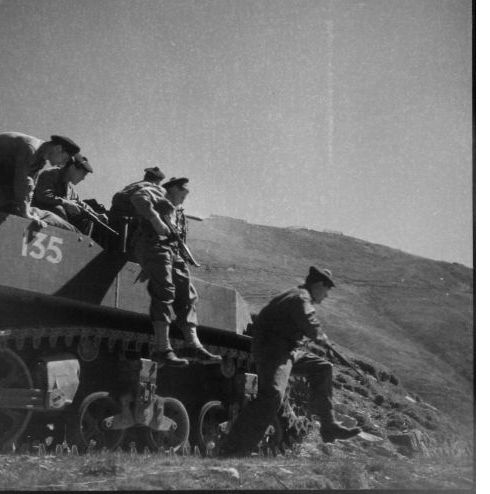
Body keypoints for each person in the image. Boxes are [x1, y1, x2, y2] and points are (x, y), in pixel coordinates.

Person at [220, 266, 361, 455]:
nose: (326, 296)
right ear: (319, 285)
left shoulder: (298, 295)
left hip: (289, 350)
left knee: (323, 368)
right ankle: (233, 449)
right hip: (273, 352)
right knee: (271, 398)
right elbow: (309, 320)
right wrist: (323, 339)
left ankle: (329, 426)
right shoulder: (301, 297)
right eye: (327, 290)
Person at [130, 176, 222, 367]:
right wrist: (155, 219)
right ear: (173, 189)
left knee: (187, 292)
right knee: (164, 290)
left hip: (171, 250)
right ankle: (162, 348)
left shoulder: (178, 212)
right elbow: (138, 198)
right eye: (183, 192)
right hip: (152, 244)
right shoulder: (158, 192)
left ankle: (192, 344)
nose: (185, 198)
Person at [0, 132, 80, 227]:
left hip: (0, 171)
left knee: (21, 190)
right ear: (58, 149)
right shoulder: (31, 149)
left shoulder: (40, 160)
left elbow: (29, 187)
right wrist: (26, 214)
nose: (62, 164)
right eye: (65, 159)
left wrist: (28, 209)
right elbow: (20, 181)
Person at [33, 154, 98, 233]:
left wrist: (96, 214)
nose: (83, 178)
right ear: (72, 168)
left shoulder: (70, 190)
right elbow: (43, 196)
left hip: (55, 228)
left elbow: (80, 204)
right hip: (38, 218)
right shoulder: (49, 174)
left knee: (86, 222)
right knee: (59, 209)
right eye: (83, 174)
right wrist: (65, 203)